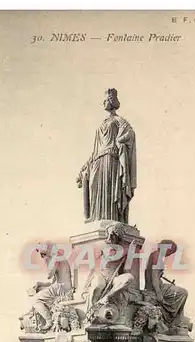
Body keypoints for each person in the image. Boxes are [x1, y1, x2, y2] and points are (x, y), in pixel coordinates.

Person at [77, 88, 137, 223]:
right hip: (98, 160)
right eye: (103, 100)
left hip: (111, 159)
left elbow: (131, 134)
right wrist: (83, 168)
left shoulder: (118, 120)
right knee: (94, 187)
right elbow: (94, 151)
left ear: (112, 100)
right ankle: (96, 217)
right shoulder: (101, 124)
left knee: (110, 191)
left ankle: (112, 218)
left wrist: (120, 141)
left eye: (106, 99)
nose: (103, 102)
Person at [145, 240, 189, 329]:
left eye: (172, 252)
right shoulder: (157, 256)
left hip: (155, 286)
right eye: (170, 251)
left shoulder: (156, 255)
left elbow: (154, 274)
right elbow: (154, 277)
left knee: (178, 292)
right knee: (183, 293)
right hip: (156, 287)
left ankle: (176, 321)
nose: (169, 254)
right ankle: (175, 321)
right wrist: (158, 293)